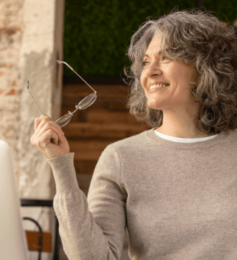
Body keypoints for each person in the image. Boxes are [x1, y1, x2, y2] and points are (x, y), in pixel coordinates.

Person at [30, 8, 237, 260]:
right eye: (146, 62)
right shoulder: (120, 158)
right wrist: (60, 166)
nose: (149, 72)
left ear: (204, 67)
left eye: (167, 57)